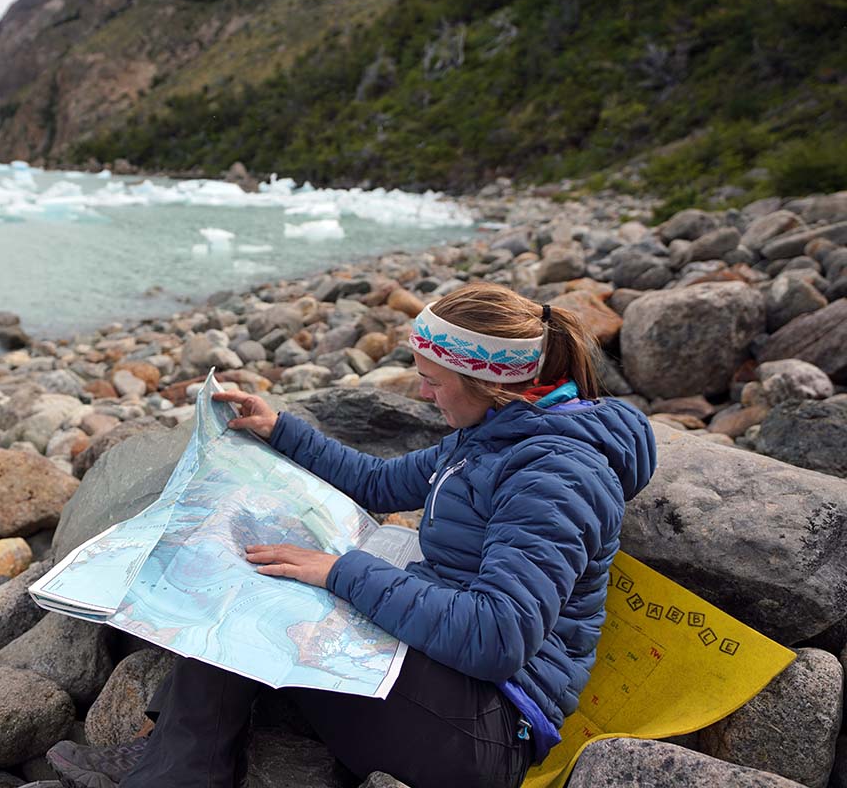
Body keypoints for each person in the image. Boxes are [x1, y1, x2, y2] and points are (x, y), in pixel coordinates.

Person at [48, 282, 657, 788]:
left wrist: (338, 572)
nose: (422, 392)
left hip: (485, 730)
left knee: (272, 588)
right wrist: (281, 429)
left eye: (434, 381)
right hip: (448, 682)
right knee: (256, 565)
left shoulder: (556, 474)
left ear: (491, 382)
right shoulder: (497, 434)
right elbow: (379, 482)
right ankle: (180, 760)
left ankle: (176, 772)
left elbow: (497, 636)